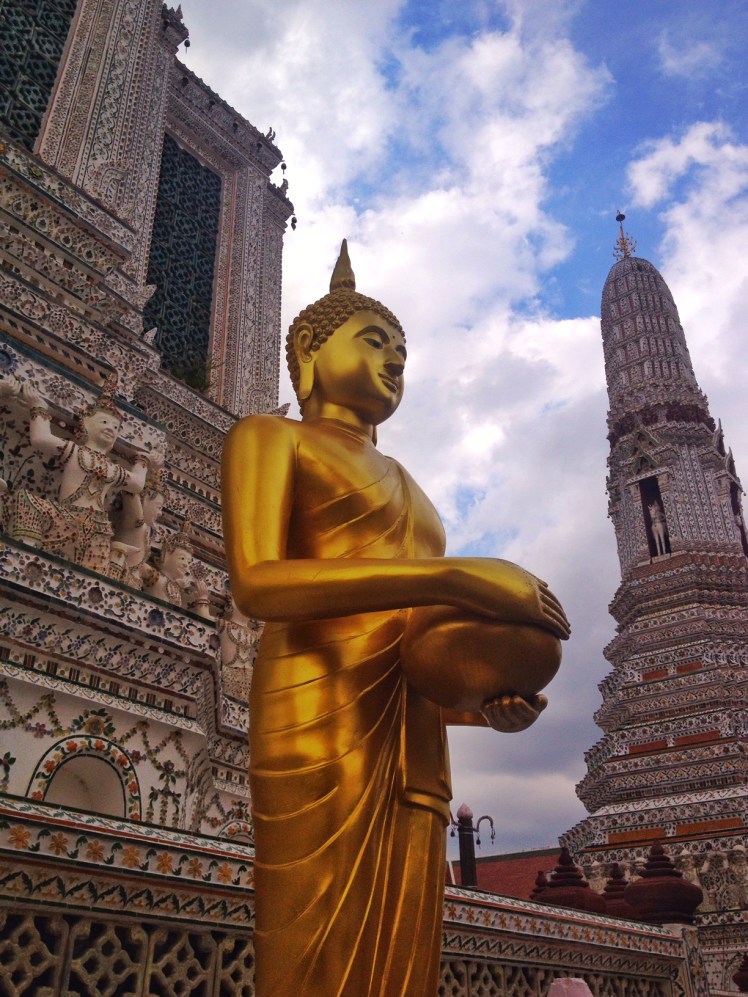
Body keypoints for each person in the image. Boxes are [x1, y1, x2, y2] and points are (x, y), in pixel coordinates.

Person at [222, 241, 569, 996]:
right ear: (312, 349)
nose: (394, 362)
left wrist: (481, 706)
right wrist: (452, 573)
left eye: (403, 353)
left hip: (412, 741)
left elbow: (412, 644)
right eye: (373, 341)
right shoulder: (271, 437)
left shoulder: (413, 486)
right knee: (315, 943)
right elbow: (258, 582)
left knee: (405, 951)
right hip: (313, 714)